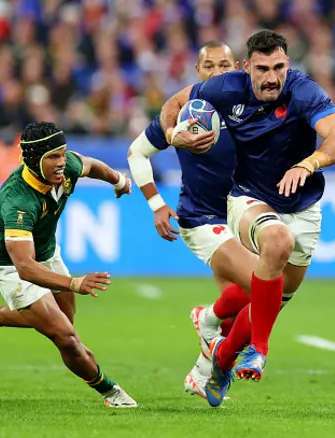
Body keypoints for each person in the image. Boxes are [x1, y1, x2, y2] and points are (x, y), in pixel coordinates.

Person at [159, 30, 335, 407]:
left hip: (303, 207)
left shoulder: (303, 91)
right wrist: (174, 135)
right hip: (248, 199)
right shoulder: (226, 88)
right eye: (263, 68)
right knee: (276, 243)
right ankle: (259, 350)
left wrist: (309, 162)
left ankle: (219, 353)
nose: (272, 77)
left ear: (288, 65)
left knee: (272, 299)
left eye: (279, 67)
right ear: (247, 68)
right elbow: (175, 102)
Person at [0, 121, 138, 408]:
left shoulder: (66, 166)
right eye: (53, 157)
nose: (62, 163)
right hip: (11, 266)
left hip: (46, 254)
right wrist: (74, 283)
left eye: (62, 154)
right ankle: (112, 393)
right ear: (34, 160)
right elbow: (25, 268)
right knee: (67, 338)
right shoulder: (17, 200)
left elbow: (91, 165)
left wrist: (117, 180)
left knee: (62, 323)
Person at [128, 41, 265, 399]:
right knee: (264, 286)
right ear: (197, 71)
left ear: (237, 67)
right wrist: (156, 204)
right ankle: (206, 322)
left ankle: (202, 367)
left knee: (242, 317)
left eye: (224, 66)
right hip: (202, 219)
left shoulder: (251, 107)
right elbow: (136, 153)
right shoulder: (188, 113)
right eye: (209, 67)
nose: (217, 73)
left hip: (242, 217)